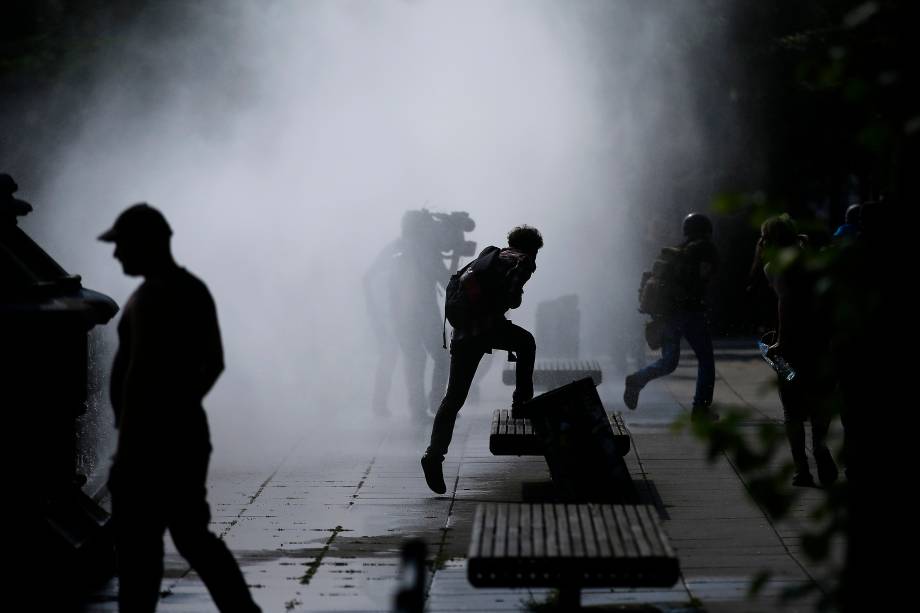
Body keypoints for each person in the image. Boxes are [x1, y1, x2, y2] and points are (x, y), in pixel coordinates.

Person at [99, 203, 261, 612]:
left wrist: (143, 430)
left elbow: (138, 378)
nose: (117, 254)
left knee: (142, 551)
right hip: (181, 434)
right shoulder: (189, 289)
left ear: (146, 244)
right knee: (190, 538)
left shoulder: (153, 297)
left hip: (149, 445)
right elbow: (215, 362)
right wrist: (184, 406)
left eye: (122, 245)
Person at [420, 225, 543, 494]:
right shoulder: (523, 262)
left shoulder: (491, 255)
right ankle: (522, 401)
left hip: (463, 332)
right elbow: (512, 298)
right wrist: (515, 295)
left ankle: (433, 455)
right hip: (485, 328)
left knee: (453, 398)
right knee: (526, 342)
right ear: (532, 248)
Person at [758, 214, 838, 487]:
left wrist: (779, 343)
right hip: (820, 345)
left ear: (768, 239)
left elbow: (786, 306)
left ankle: (801, 470)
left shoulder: (773, 267)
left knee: (792, 409)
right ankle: (820, 447)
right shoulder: (815, 261)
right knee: (820, 404)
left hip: (789, 350)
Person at [623, 212, 719, 420]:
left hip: (668, 314)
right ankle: (700, 409)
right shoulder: (703, 249)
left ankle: (637, 380)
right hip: (691, 313)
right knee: (706, 362)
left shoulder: (677, 251)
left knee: (669, 362)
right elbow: (703, 276)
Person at [364, 210, 453, 418]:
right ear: (421, 228)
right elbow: (447, 281)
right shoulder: (427, 251)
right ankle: (436, 402)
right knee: (440, 357)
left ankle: (419, 408)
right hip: (425, 313)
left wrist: (378, 310)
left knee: (415, 359)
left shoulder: (395, 248)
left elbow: (369, 276)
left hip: (400, 315)